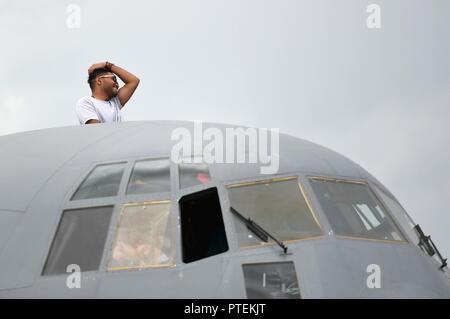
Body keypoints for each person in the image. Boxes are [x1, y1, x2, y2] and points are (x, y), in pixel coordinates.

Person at [76, 61, 140, 124]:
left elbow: (134, 81)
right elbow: (95, 129)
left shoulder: (115, 103)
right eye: (114, 79)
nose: (117, 84)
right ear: (99, 81)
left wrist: (108, 65)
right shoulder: (86, 102)